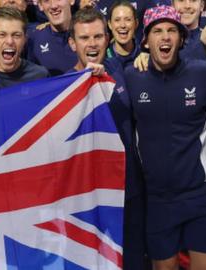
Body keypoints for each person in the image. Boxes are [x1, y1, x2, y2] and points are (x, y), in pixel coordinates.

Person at [125, 5, 206, 270]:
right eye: (157, 31)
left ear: (181, 38)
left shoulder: (203, 73)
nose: (165, 37)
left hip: (201, 195)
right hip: (157, 200)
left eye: (171, 30)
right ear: (145, 40)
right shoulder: (132, 76)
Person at [67, 7, 146, 270]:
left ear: (108, 39)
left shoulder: (123, 70)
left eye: (98, 37)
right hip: (86, 199)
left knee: (133, 261)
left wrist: (146, 56)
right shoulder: (60, 89)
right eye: (84, 38)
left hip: (129, 190)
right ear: (72, 43)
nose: (92, 44)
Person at [27, 0, 77, 76]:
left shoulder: (90, 33)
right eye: (46, 0)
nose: (53, 6)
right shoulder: (34, 38)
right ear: (40, 5)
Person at [106, 0, 140, 67]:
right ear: (110, 24)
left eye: (128, 19)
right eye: (117, 20)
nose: (122, 25)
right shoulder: (102, 58)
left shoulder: (146, 57)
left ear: (136, 23)